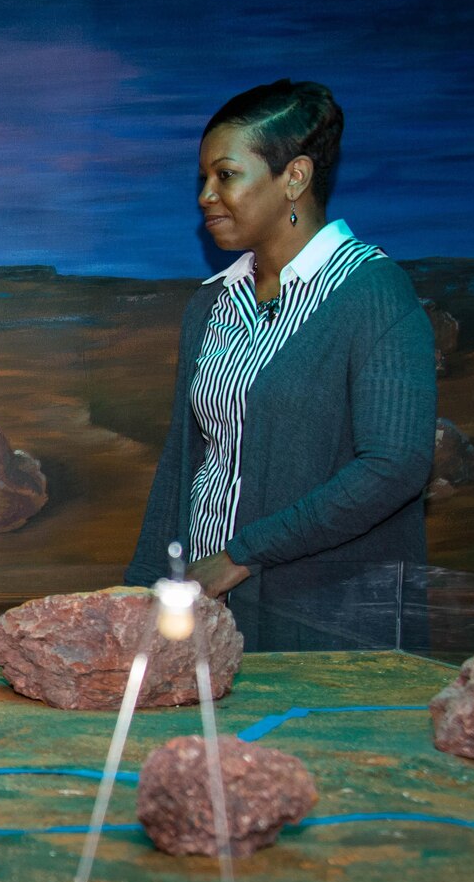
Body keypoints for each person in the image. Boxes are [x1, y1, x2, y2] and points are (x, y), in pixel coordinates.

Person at [127, 80, 435, 650]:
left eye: (226, 175)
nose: (206, 195)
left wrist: (241, 556)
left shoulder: (372, 293)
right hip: (204, 612)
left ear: (294, 177)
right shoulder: (211, 302)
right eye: (203, 179)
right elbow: (183, 465)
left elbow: (395, 466)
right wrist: (143, 593)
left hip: (326, 628)